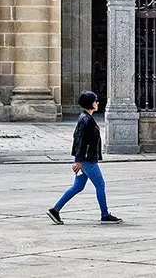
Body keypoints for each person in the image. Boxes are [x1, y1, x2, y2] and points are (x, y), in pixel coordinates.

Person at [47, 91, 122, 224]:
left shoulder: (86, 117)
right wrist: (78, 160)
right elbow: (81, 141)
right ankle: (105, 215)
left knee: (78, 187)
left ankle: (55, 210)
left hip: (84, 159)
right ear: (90, 103)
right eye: (95, 100)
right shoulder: (86, 120)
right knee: (100, 184)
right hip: (87, 160)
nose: (97, 102)